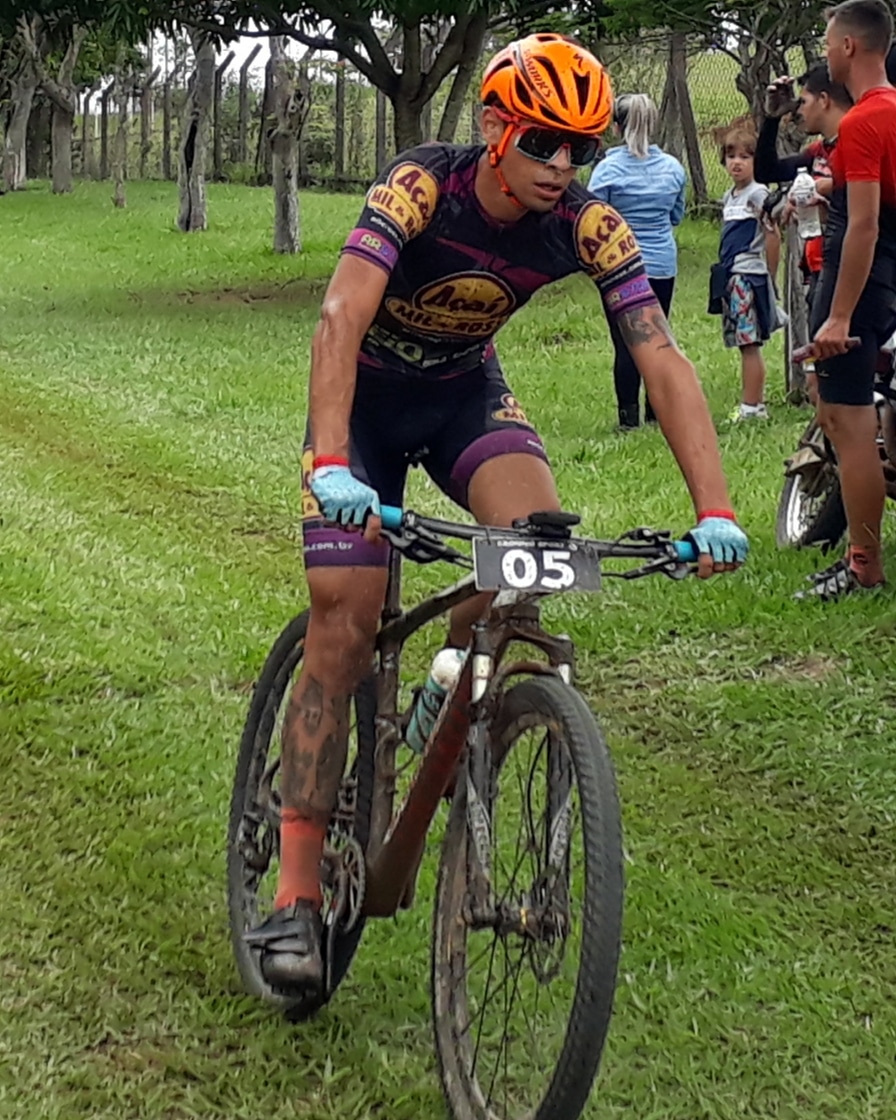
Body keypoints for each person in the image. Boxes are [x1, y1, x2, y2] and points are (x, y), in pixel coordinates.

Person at [244, 33, 748, 997]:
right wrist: (330, 462)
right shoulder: (420, 188)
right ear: (494, 128)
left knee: (533, 552)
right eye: (543, 142)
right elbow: (340, 317)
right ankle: (297, 890)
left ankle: (446, 688)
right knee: (344, 615)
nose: (561, 166)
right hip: (366, 408)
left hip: (462, 395)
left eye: (580, 148)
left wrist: (715, 508)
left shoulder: (589, 223)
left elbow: (660, 354)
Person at [799, 0, 896, 599]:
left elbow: (863, 224)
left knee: (848, 421)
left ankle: (863, 564)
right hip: (885, 279)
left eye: (829, 43)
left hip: (858, 282)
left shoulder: (862, 121)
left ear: (850, 47)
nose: (827, 53)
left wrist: (838, 315)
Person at [587, 94, 687, 430]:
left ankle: (628, 418)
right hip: (662, 265)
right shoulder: (673, 169)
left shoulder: (607, 171)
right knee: (656, 339)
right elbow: (676, 216)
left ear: (617, 127)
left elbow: (593, 219)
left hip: (620, 266)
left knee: (625, 344)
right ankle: (656, 413)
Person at [756, 65, 852, 314]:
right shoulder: (820, 150)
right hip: (819, 267)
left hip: (848, 268)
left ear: (824, 100)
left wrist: (825, 190)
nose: (798, 110)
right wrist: (772, 119)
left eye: (804, 101)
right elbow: (767, 172)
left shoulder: (854, 146)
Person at [712, 124, 782, 421]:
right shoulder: (730, 196)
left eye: (745, 156)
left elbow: (772, 234)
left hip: (748, 275)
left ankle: (752, 405)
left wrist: (770, 276)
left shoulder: (758, 194)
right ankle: (752, 403)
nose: (737, 163)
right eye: (731, 156)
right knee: (742, 342)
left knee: (748, 341)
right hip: (731, 274)